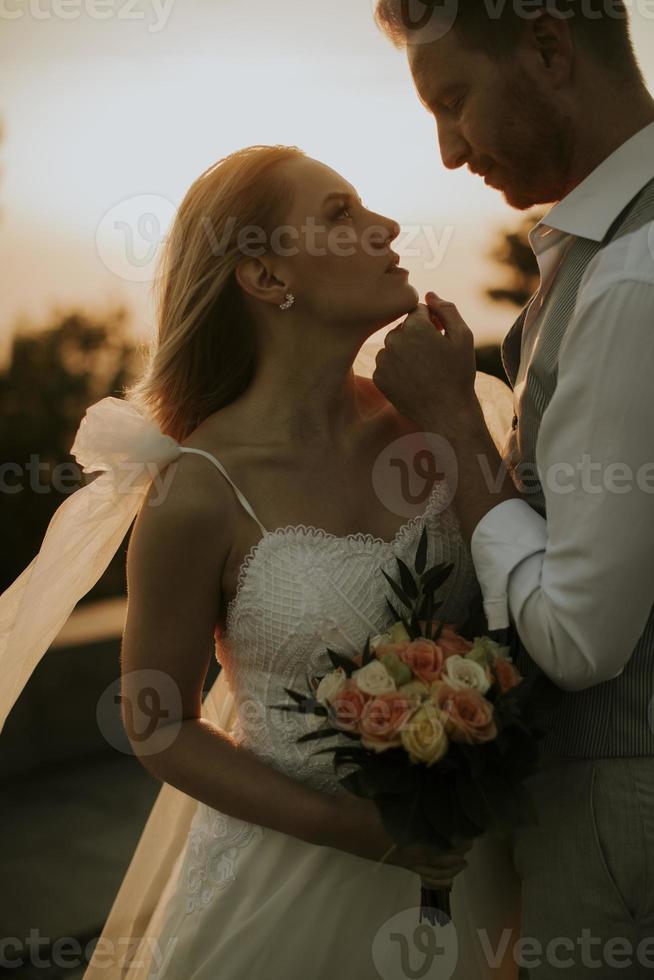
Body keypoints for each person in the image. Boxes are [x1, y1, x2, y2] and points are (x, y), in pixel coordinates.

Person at [0, 144, 519, 979]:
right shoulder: (198, 489)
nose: (387, 227)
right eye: (339, 215)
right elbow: (158, 722)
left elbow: (526, 601)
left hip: (479, 870)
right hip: (284, 895)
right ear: (265, 276)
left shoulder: (450, 420)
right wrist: (360, 831)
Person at [373, 2, 654, 977]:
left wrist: (454, 421)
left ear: (545, 46)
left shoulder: (629, 274)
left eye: (454, 101)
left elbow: (578, 633)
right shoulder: (605, 249)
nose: (449, 152)